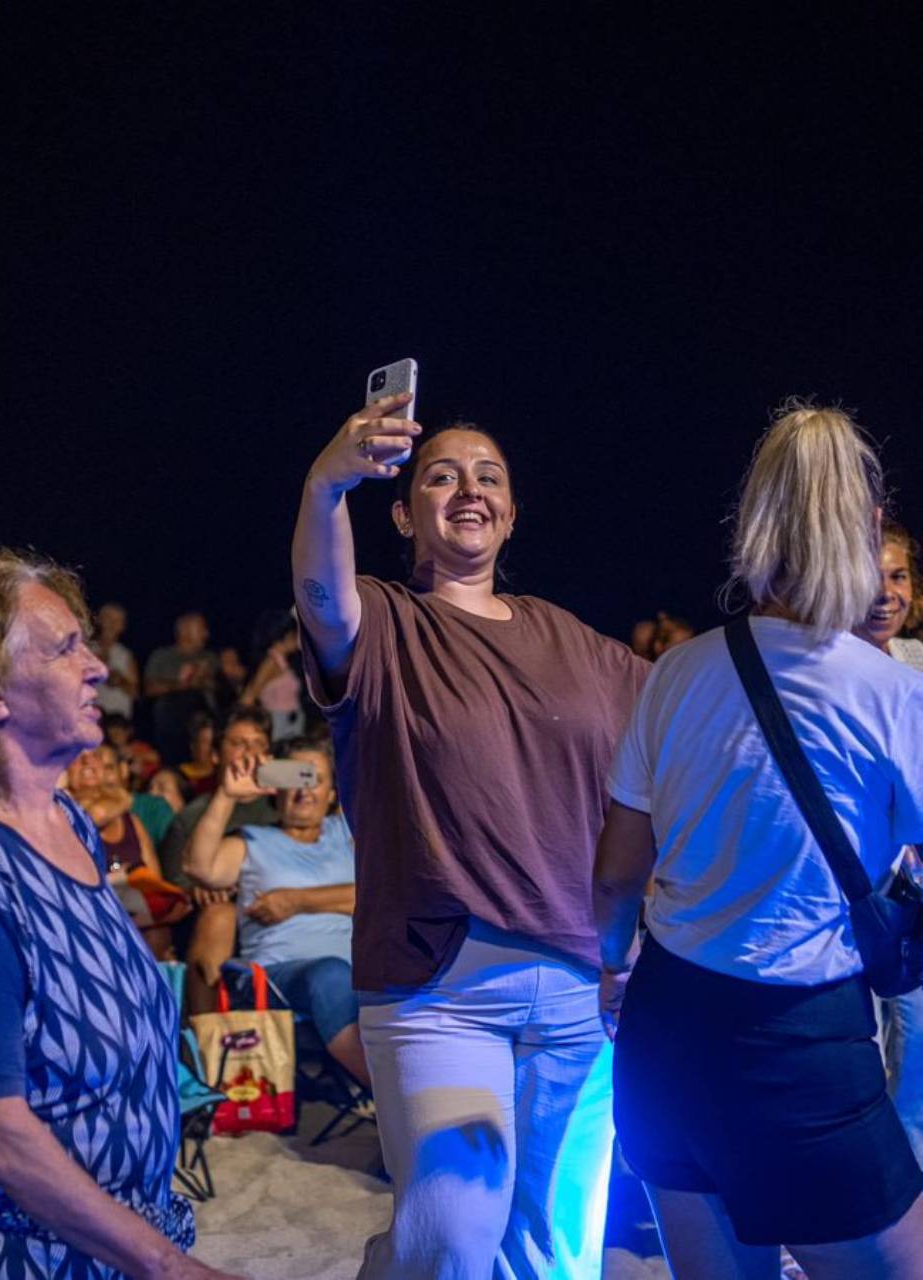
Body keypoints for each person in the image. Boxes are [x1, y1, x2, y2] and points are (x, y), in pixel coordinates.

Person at [292, 393, 647, 1279]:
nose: (468, 489)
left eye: (488, 476)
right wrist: (327, 482)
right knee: (450, 1239)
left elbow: (689, 728)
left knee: (555, 1254)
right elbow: (320, 596)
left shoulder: (579, 644)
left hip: (580, 989)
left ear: (513, 512)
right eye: (441, 476)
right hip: (437, 988)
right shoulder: (381, 622)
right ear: (405, 512)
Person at [595, 404, 923, 1279]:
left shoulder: (677, 672)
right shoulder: (890, 695)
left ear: (757, 525)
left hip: (665, 1031)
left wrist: (611, 969)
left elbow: (615, 878)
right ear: (862, 526)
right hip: (800, 1048)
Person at [0, 549, 241, 1279]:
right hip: (2, 1259)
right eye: (64, 648)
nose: (97, 667)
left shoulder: (72, 824)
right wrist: (169, 1267)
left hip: (105, 1246)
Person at [184, 738, 367, 1084]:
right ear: (276, 789)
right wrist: (226, 795)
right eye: (294, 778)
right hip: (278, 978)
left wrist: (297, 900)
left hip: (361, 971)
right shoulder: (252, 841)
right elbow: (199, 868)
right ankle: (385, 1092)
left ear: (332, 793)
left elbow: (381, 895)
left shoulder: (348, 835)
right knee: (330, 975)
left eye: (314, 779)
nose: (304, 791)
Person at [857, 519, 923, 1167]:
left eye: (898, 576)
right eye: (872, 577)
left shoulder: (920, 666)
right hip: (841, 899)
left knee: (916, 1050)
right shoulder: (824, 665)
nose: (886, 593)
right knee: (856, 1055)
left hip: (910, 903)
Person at [158, 707, 278, 1013]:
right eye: (238, 743)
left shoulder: (285, 809)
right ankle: (208, 1041)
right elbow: (172, 886)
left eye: (259, 744)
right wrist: (196, 890)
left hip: (275, 914)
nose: (249, 752)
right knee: (219, 916)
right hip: (212, 926)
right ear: (215, 756)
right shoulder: (193, 817)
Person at [65, 744, 188, 958]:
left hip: (136, 922)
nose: (87, 762)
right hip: (89, 920)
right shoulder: (61, 817)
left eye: (94, 756)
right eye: (77, 757)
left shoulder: (131, 821)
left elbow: (153, 880)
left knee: (157, 934)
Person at [144, 612, 219, 765]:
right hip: (171, 730)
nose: (206, 634)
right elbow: (149, 689)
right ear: (184, 631)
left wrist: (204, 680)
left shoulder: (210, 658)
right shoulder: (162, 657)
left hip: (204, 728)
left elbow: (221, 688)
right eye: (201, 629)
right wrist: (182, 684)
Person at [241, 609, 306, 742]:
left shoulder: (283, 661)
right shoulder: (271, 661)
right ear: (284, 636)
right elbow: (249, 697)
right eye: (294, 635)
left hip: (291, 721)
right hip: (277, 722)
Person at [93, 601, 140, 719]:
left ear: (122, 626)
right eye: (108, 618)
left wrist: (118, 679)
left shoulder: (125, 654)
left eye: (117, 621)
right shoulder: (85, 648)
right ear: (98, 620)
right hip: (90, 716)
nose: (112, 624)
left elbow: (134, 692)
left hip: (117, 722)